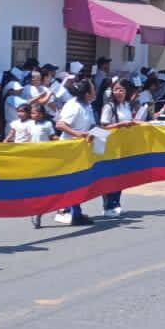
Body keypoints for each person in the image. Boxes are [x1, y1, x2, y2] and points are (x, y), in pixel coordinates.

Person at [53, 78, 97, 226]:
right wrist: (78, 134)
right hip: (68, 148)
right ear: (86, 93)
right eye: (92, 89)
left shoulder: (87, 106)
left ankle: (72, 210)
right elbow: (60, 124)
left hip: (81, 148)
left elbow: (90, 125)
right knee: (72, 181)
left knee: (78, 181)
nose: (94, 91)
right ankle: (73, 212)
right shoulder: (73, 106)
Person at [98, 78, 143, 216]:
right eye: (116, 89)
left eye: (121, 90)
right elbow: (103, 126)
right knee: (110, 176)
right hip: (111, 146)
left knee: (121, 176)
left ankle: (116, 202)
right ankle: (107, 206)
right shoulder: (109, 107)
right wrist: (120, 125)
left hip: (124, 145)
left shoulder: (127, 105)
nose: (118, 92)